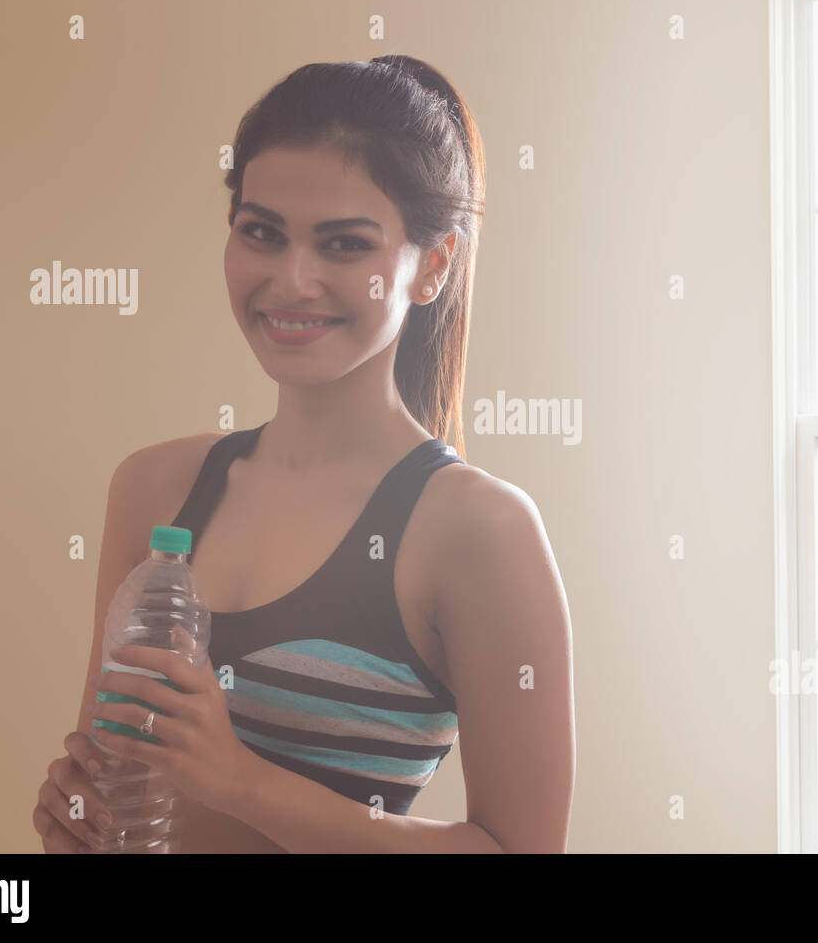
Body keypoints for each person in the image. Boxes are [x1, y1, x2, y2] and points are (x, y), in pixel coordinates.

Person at [31, 56, 574, 853]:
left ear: (432, 265)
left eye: (344, 245)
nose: (292, 280)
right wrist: (79, 819)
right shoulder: (153, 488)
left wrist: (243, 784)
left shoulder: (480, 530)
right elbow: (120, 783)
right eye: (262, 232)